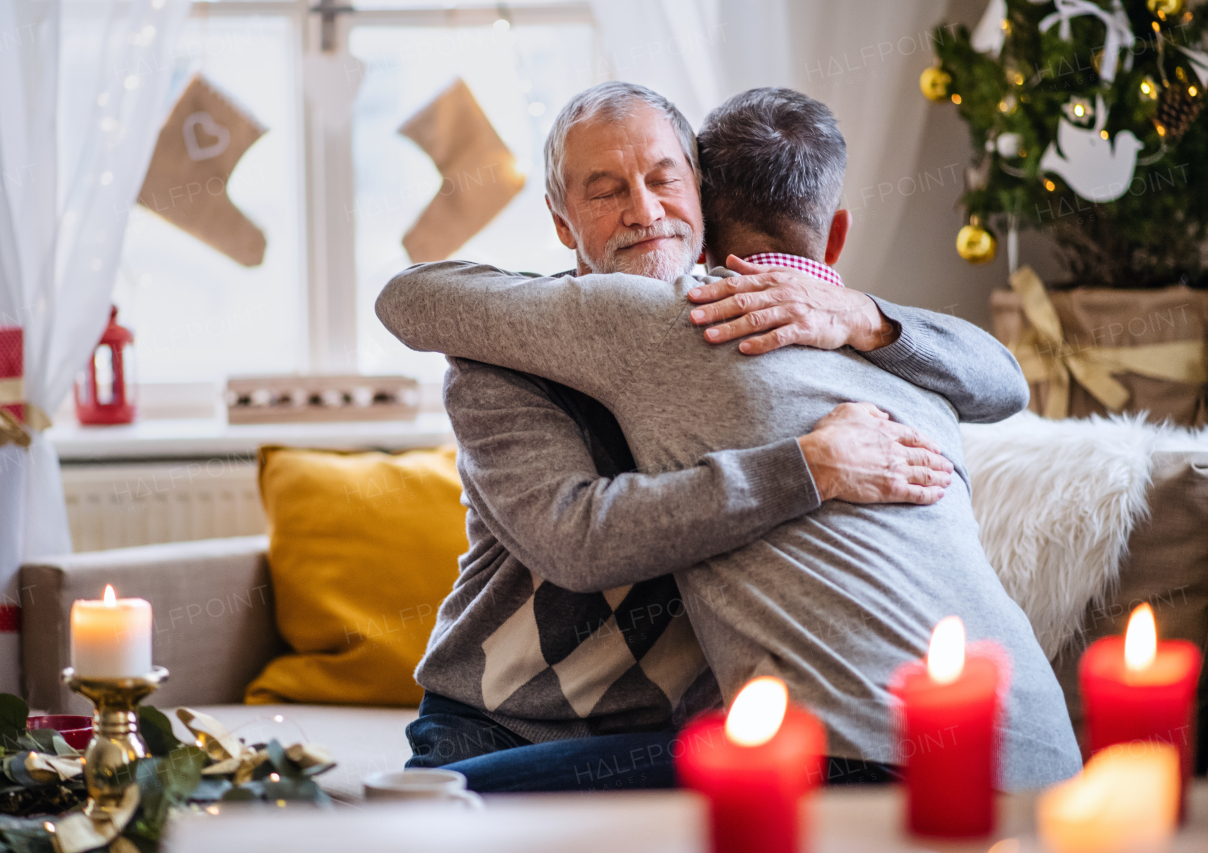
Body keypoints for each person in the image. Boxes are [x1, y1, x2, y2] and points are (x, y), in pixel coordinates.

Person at [380, 83, 1079, 792]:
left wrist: (866, 313)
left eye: (663, 179)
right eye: (604, 191)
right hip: (504, 721)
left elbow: (1002, 380)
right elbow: (575, 541)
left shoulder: (772, 317)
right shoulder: (508, 357)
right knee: (441, 810)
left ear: (703, 196)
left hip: (671, 731)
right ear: (562, 223)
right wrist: (808, 466)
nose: (645, 211)